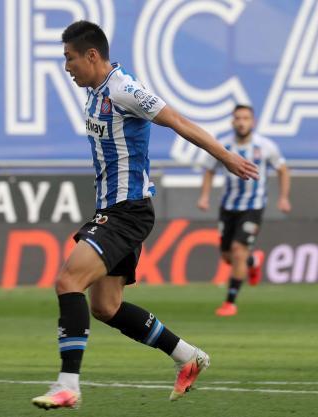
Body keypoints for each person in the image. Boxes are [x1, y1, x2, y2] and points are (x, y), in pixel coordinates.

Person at [31, 21, 259, 410]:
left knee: (68, 280)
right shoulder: (94, 93)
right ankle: (188, 356)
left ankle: (67, 385)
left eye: (70, 58)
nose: (66, 67)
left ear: (92, 55)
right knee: (106, 307)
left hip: (129, 210)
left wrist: (225, 156)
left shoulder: (125, 89)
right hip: (113, 209)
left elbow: (179, 122)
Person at [197, 104, 291, 317]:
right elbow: (209, 170)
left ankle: (230, 302)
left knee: (238, 250)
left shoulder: (265, 146)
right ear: (232, 121)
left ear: (253, 122)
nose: (241, 122)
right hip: (228, 206)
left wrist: (284, 198)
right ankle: (253, 261)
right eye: (238, 118)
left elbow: (283, 169)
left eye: (246, 118)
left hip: (253, 206)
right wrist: (204, 196)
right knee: (228, 256)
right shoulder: (223, 145)